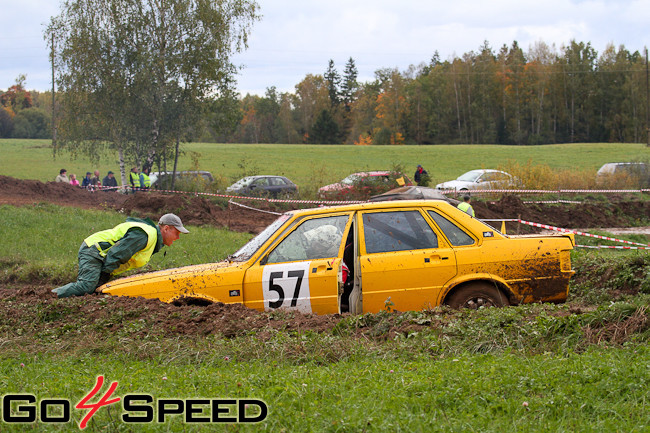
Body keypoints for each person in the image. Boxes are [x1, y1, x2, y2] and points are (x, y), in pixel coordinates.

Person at [52, 213, 189, 298]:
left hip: (101, 255)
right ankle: (50, 296)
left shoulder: (151, 238)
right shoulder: (145, 235)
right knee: (87, 286)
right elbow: (117, 254)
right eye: (177, 233)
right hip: (95, 250)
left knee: (97, 289)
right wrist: (104, 276)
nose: (177, 238)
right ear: (166, 228)